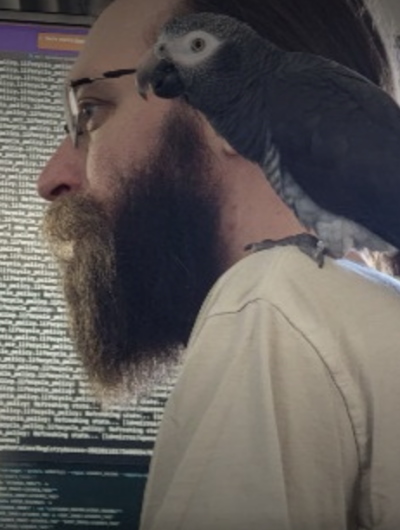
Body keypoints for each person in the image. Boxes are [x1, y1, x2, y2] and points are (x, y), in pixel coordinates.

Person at [37, 0, 400, 528]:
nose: (50, 178)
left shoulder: (270, 302)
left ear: (217, 122)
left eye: (90, 110)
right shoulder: (371, 318)